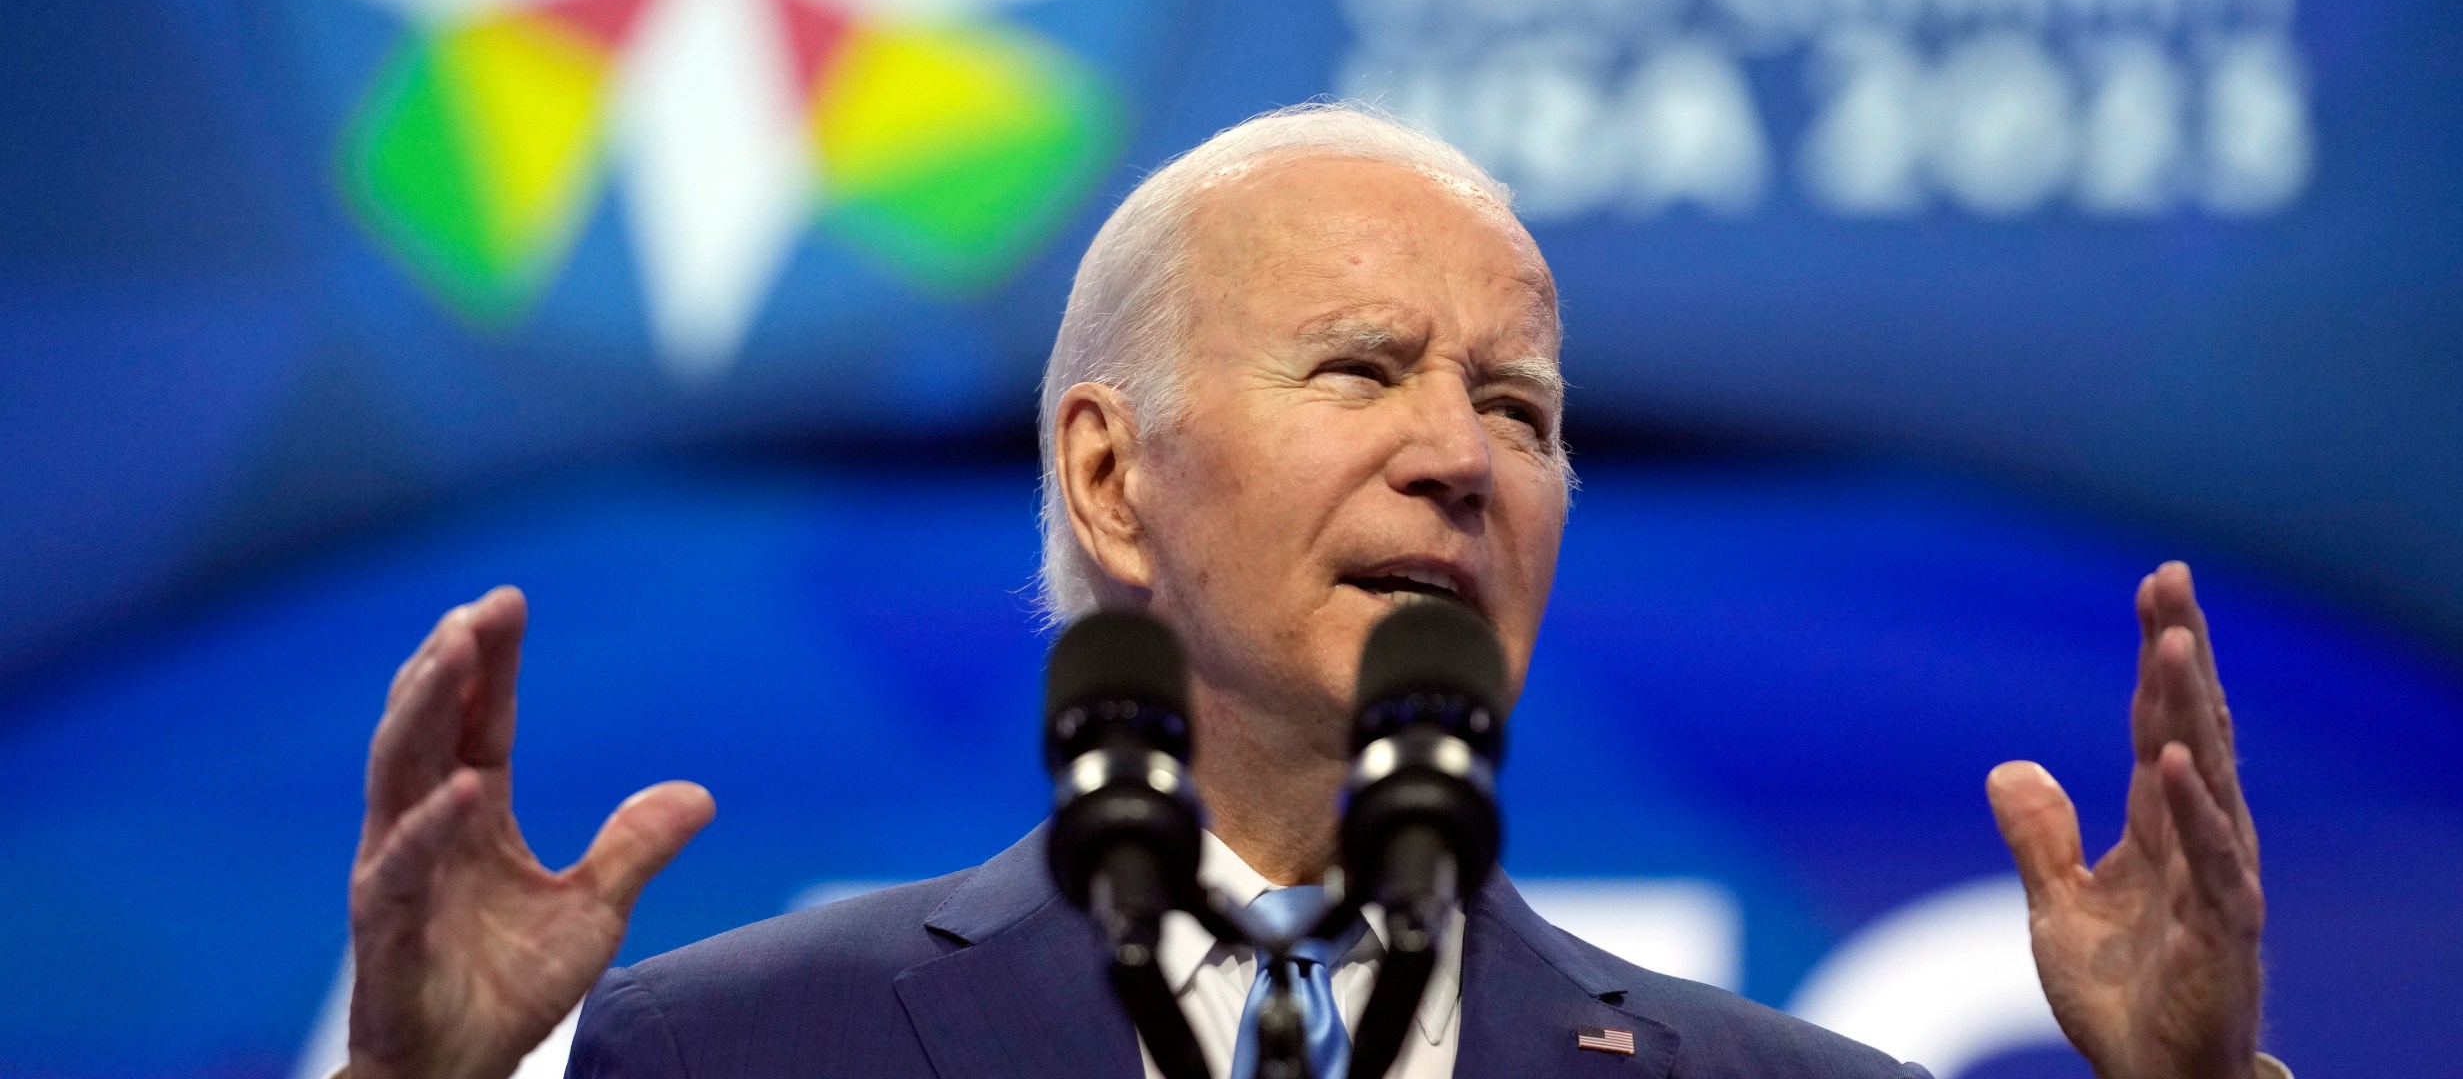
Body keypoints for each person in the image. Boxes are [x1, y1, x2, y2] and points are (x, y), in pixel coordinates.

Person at [337, 105, 2276, 1079]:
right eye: (1361, 369)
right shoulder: (748, 1053)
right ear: (1109, 473)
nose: (1457, 454)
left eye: (1513, 404)